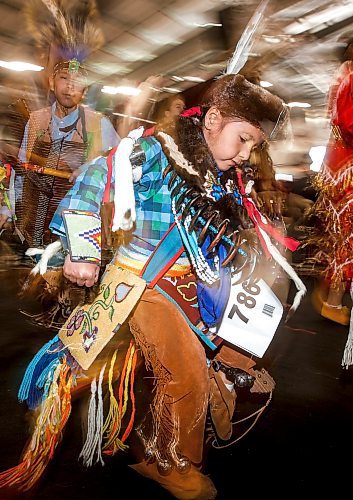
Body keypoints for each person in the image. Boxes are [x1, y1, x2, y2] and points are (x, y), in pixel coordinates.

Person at [0, 74, 305, 499]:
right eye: (243, 139)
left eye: (254, 145)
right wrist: (83, 252)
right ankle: (175, 464)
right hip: (144, 282)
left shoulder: (223, 177)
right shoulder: (155, 151)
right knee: (185, 372)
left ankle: (155, 445)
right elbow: (92, 181)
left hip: (197, 287)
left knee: (229, 362)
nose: (246, 154)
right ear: (213, 119)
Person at [14, 0, 120, 249]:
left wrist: (91, 169)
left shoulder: (99, 125)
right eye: (64, 78)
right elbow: (21, 172)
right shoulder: (36, 120)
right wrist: (10, 213)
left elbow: (120, 166)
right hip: (31, 232)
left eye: (77, 80)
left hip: (74, 239)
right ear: (52, 82)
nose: (70, 86)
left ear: (85, 88)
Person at [309, 39, 353, 326]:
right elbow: (349, 123)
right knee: (346, 238)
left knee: (339, 235)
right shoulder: (350, 77)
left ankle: (328, 296)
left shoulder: (345, 73)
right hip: (347, 166)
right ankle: (332, 301)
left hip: (338, 163)